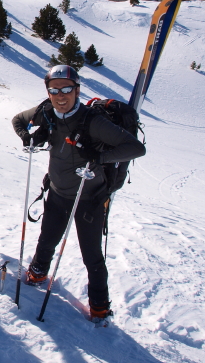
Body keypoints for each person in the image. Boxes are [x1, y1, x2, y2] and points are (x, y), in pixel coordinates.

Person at [11, 65, 145, 320]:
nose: (61, 96)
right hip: (58, 191)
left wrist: (101, 156)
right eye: (55, 90)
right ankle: (38, 273)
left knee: (91, 255)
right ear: (49, 92)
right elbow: (18, 120)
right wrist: (26, 137)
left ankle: (99, 306)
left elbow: (135, 148)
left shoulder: (92, 121)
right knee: (47, 239)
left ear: (77, 90)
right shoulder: (47, 112)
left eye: (67, 89)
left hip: (89, 197)